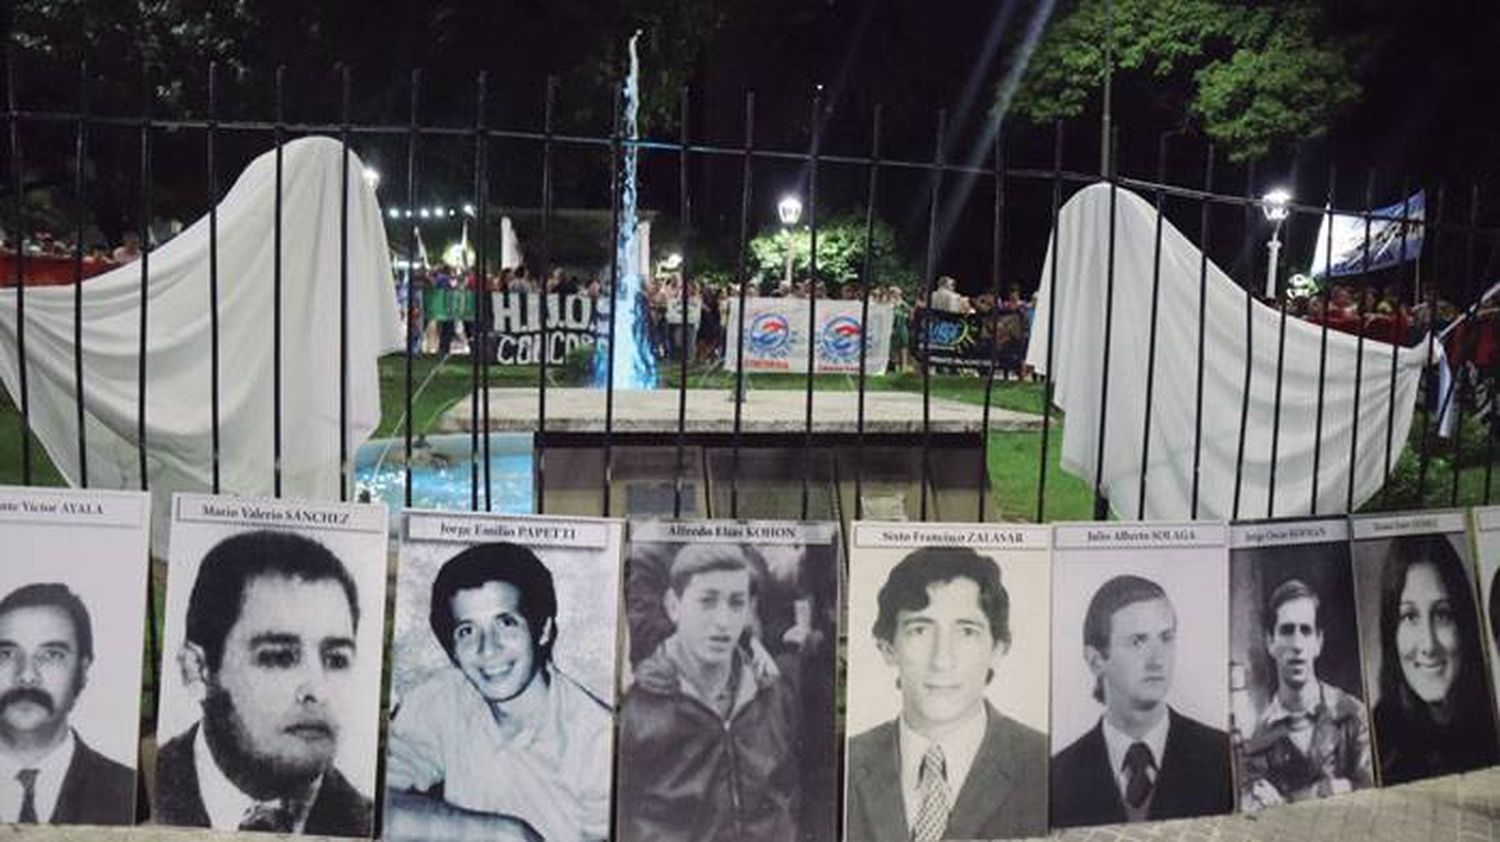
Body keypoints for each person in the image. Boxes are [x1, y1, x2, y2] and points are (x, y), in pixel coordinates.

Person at [384, 543, 612, 842]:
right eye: (466, 630)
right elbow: (369, 807)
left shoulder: (599, 743)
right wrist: (499, 832)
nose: (487, 649)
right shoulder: (441, 698)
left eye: (506, 623)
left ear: (542, 630)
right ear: (452, 650)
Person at [155, 530, 373, 836]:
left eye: (336, 660)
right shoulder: (132, 796)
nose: (317, 691)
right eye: (280, 658)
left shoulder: (373, 826)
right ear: (198, 669)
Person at [845, 547, 1047, 841]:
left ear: (998, 649)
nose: (942, 659)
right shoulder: (848, 762)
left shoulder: (1045, 764)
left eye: (966, 632)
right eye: (919, 630)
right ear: (888, 648)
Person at [616, 544, 803, 842]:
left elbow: (788, 799)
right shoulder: (636, 708)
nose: (723, 621)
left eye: (736, 603)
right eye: (707, 601)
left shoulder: (771, 694)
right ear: (673, 606)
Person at [1051, 575, 1233, 827]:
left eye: (1166, 638)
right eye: (1138, 641)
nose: (1157, 660)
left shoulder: (1222, 757)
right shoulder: (1058, 776)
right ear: (1095, 660)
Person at [1371, 535, 1500, 784]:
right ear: (1391, 631)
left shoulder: (1492, 716)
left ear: (1464, 623)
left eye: (1443, 615)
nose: (1428, 645)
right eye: (1409, 616)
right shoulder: (1375, 740)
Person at [0, 584, 133, 825]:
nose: (27, 675)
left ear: (82, 671)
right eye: (6, 654)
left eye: (51, 655)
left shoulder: (128, 792)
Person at [1237, 579, 1372, 810]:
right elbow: (1253, 812)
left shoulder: (1353, 715)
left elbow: (1371, 792)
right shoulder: (1255, 740)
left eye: (1305, 630)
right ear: (1270, 642)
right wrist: (1335, 788)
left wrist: (1288, 801)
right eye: (1287, 631)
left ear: (1318, 642)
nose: (1297, 644)